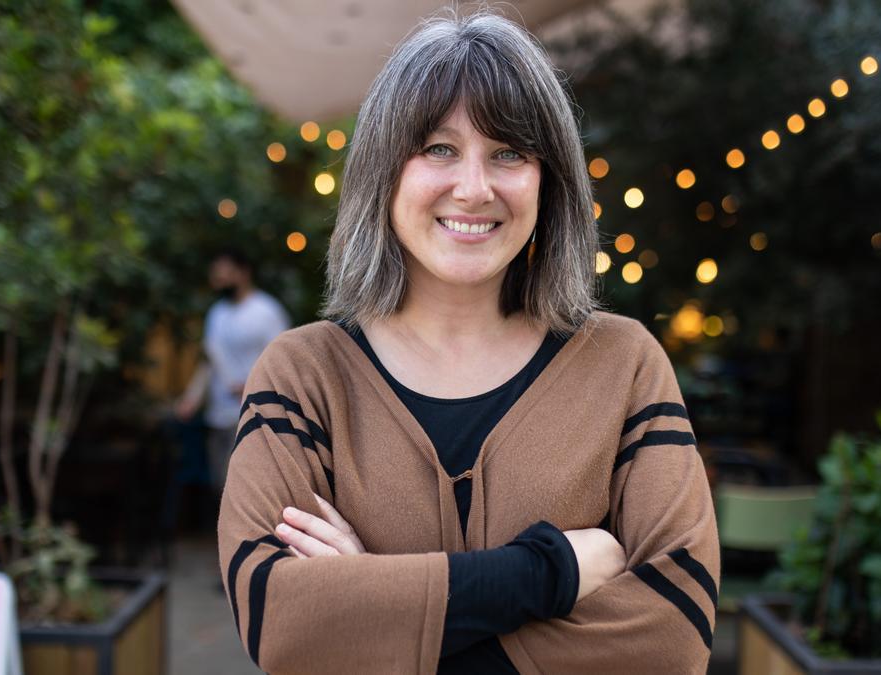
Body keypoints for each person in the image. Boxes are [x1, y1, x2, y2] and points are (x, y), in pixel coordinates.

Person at [217, 10, 719, 673]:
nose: (475, 188)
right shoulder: (302, 376)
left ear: (549, 180)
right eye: (438, 148)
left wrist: (379, 613)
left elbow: (676, 634)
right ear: (383, 171)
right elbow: (278, 619)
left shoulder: (624, 366)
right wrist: (553, 572)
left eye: (509, 152)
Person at [175, 247, 290, 493]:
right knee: (221, 484)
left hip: (255, 414)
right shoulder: (217, 314)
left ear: (243, 272)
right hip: (219, 415)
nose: (219, 279)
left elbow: (283, 361)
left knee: (246, 490)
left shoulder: (266, 311)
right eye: (216, 274)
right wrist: (191, 399)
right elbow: (210, 361)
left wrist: (253, 385)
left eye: (225, 273)